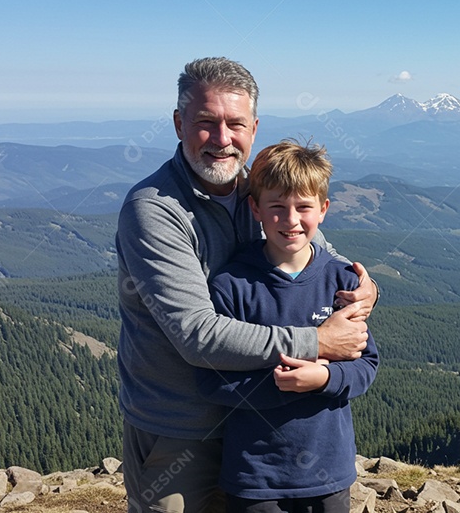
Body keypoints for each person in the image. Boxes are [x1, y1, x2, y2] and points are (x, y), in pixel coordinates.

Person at [116, 57, 378, 513]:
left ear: (253, 129)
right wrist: (318, 341)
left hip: (262, 435)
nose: (222, 139)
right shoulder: (154, 209)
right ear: (179, 124)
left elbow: (320, 254)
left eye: (235, 124)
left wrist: (363, 286)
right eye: (205, 122)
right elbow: (198, 335)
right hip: (182, 429)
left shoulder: (259, 192)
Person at [199, 140, 378, 513]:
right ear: (256, 209)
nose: (291, 220)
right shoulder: (233, 285)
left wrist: (325, 379)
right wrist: (286, 384)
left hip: (329, 472)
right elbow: (212, 378)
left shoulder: (342, 282)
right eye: (277, 208)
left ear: (323, 209)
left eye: (304, 207)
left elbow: (366, 363)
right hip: (256, 476)